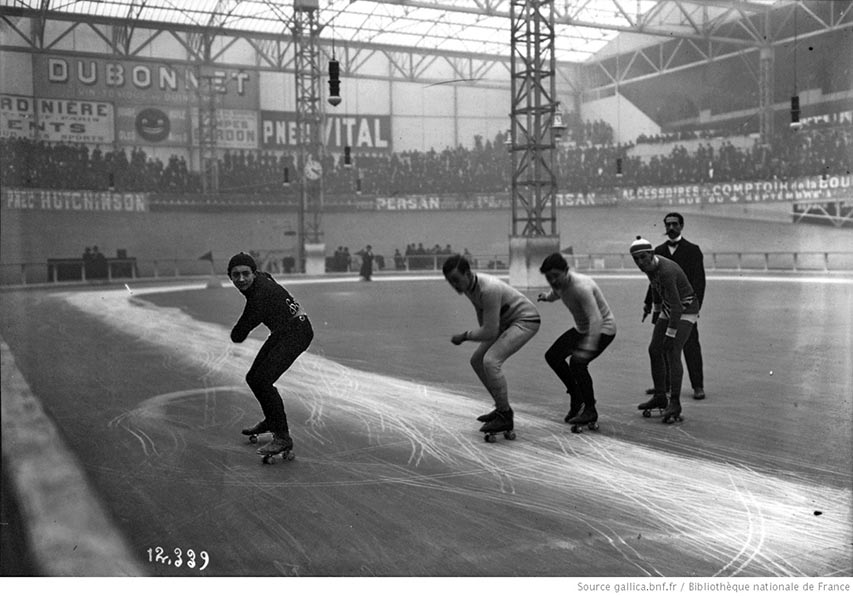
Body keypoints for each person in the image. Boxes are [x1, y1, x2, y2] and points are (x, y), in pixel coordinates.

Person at [442, 254, 541, 436]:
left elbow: (489, 332)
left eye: (456, 280)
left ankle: (504, 414)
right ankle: (501, 407)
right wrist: (482, 332)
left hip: (526, 321)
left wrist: (464, 336)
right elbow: (485, 323)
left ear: (468, 273)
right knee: (477, 360)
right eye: (450, 282)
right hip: (506, 323)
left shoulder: (488, 289)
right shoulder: (470, 288)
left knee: (490, 361)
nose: (454, 285)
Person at [228, 252, 314, 457]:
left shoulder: (259, 296)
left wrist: (237, 331)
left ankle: (282, 437)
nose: (241, 279)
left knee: (263, 381)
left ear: (254, 273)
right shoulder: (262, 278)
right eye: (236, 275)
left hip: (297, 333)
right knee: (253, 378)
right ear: (229, 276)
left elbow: (238, 334)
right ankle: (272, 419)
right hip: (285, 330)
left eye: (245, 274)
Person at [537, 253, 616, 428]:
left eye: (556, 276)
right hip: (582, 329)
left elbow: (596, 319)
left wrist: (588, 347)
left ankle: (590, 410)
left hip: (603, 329)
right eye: (549, 278)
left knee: (578, 363)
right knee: (553, 356)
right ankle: (576, 395)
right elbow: (556, 293)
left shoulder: (581, 287)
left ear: (566, 271)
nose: (553, 281)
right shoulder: (559, 284)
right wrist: (546, 296)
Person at [630, 237, 699, 423]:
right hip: (670, 308)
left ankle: (675, 402)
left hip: (686, 309)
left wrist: (669, 333)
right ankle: (660, 395)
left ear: (652, 255)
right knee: (654, 349)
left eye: (643, 257)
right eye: (635, 259)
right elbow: (655, 288)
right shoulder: (649, 267)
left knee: (672, 350)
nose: (639, 263)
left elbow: (677, 307)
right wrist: (656, 313)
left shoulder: (667, 270)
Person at [643, 212, 707, 399]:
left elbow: (699, 282)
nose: (671, 227)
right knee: (663, 344)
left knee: (690, 345)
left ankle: (697, 386)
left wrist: (696, 309)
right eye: (668, 224)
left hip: (687, 308)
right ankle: (665, 385)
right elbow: (653, 281)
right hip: (666, 308)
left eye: (675, 224)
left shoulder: (693, 250)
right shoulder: (658, 250)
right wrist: (648, 304)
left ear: (681, 226)